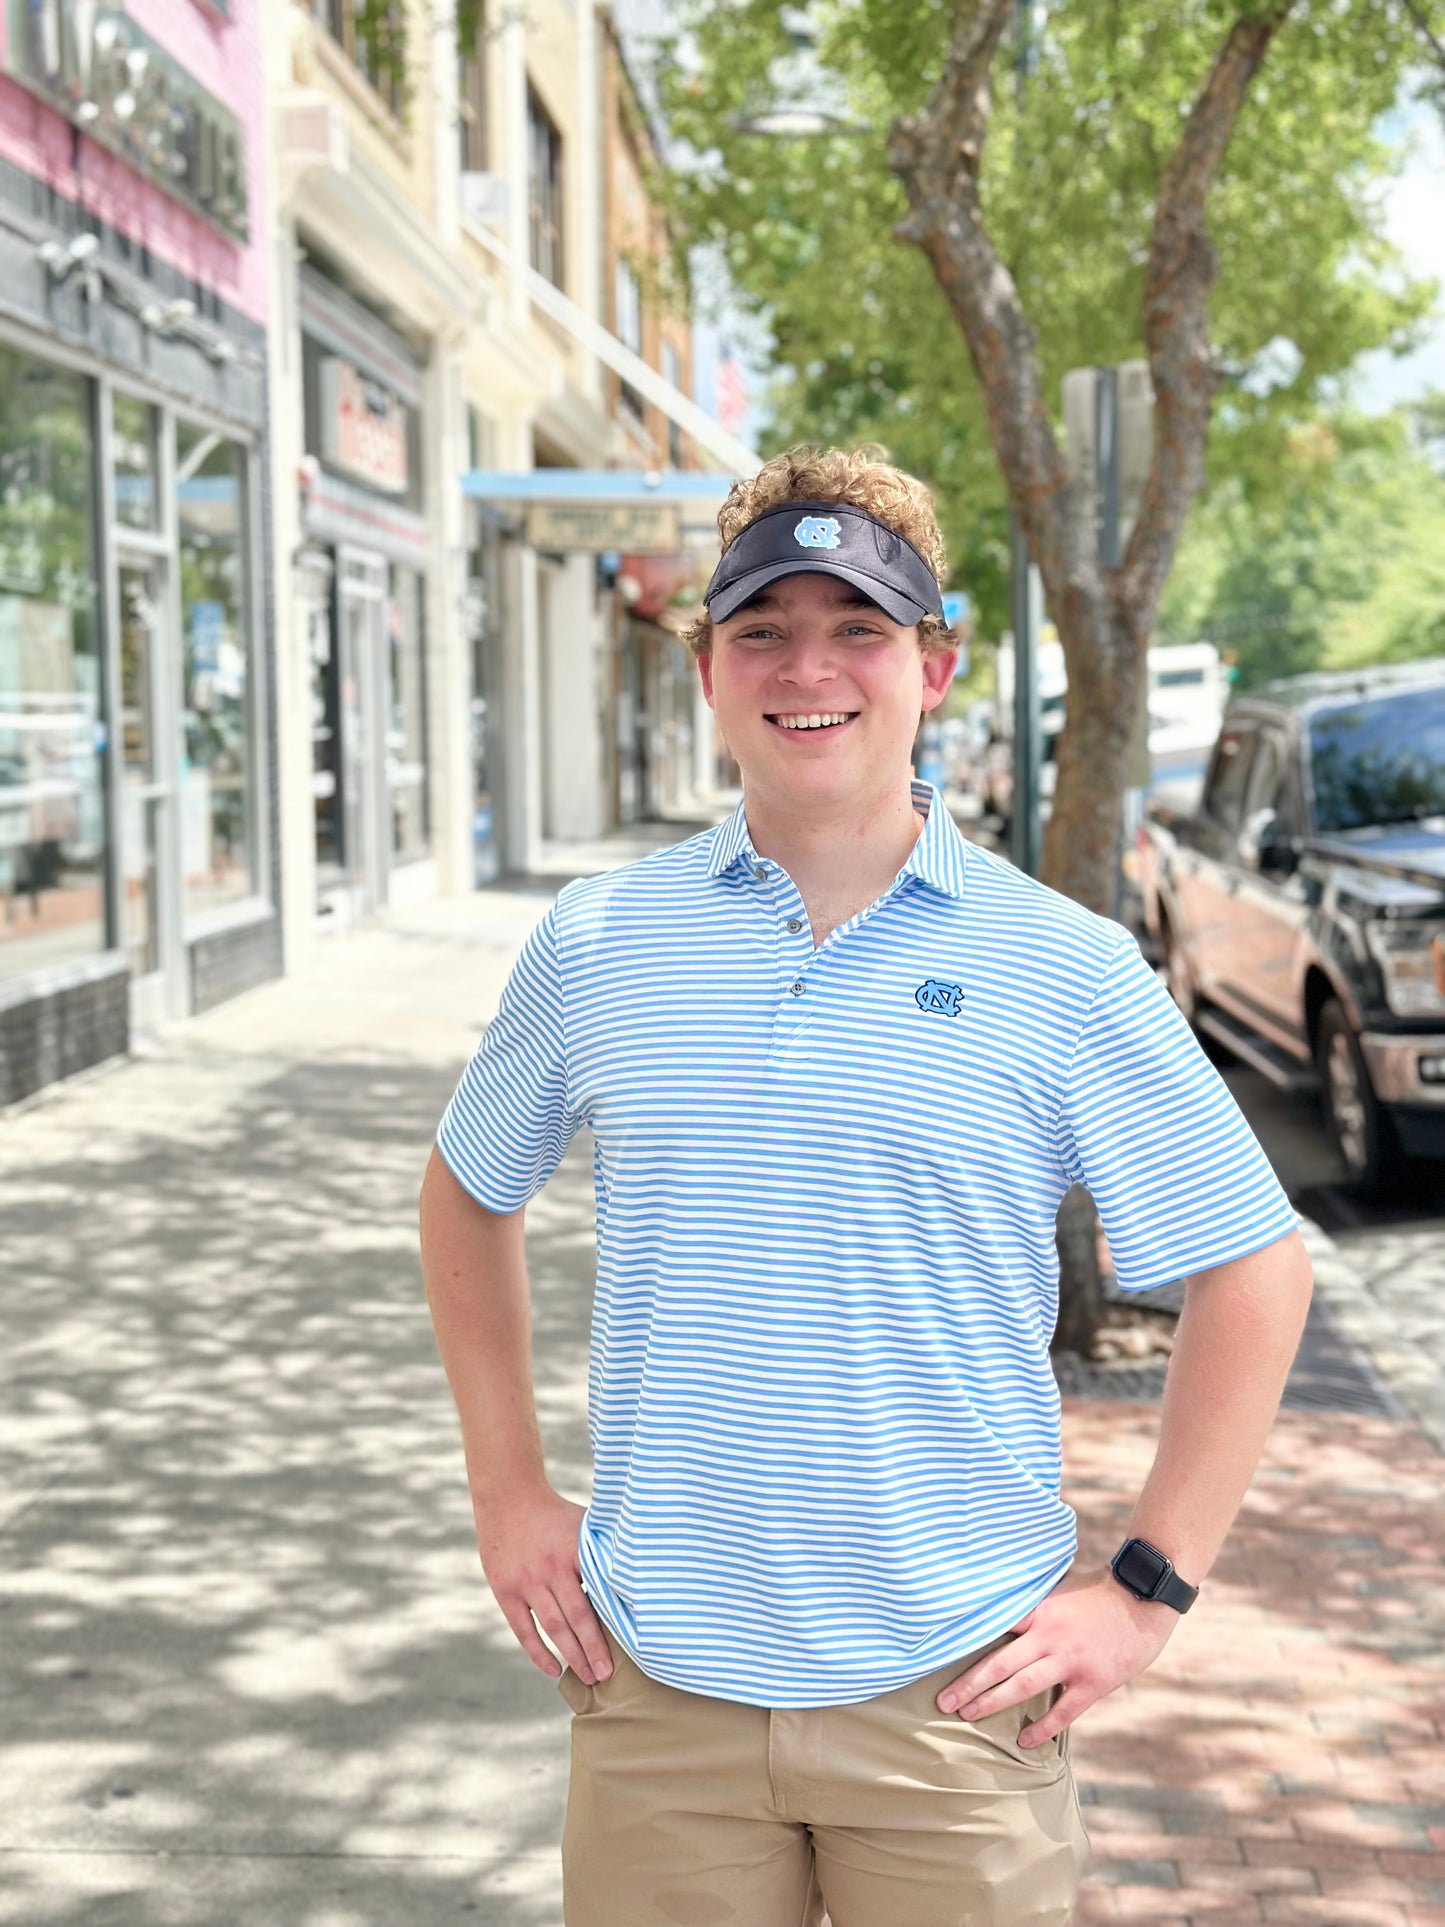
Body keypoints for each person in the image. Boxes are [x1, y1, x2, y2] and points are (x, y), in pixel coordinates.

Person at [419, 444, 1313, 1927]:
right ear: (708, 670)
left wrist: (1146, 1586)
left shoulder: (1063, 965)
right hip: (660, 1703)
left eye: (857, 629)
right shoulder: (597, 943)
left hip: (955, 1702)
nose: (805, 668)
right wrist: (508, 1490)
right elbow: (466, 1195)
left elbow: (1252, 1265)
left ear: (934, 666)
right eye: (761, 629)